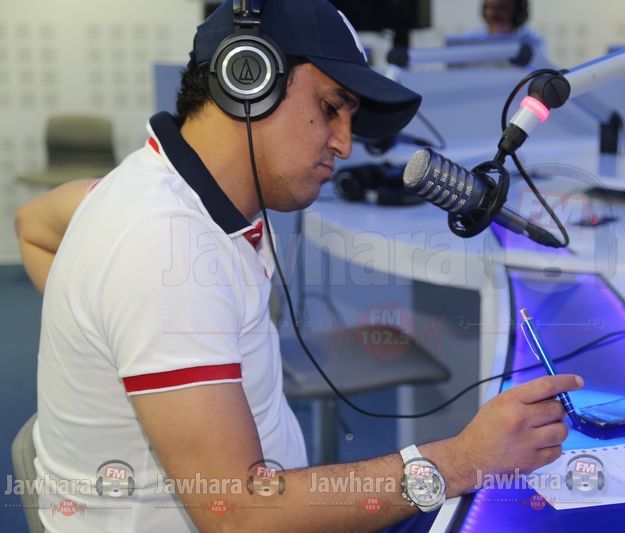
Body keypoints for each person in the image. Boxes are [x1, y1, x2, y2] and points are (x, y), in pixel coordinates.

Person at [16, 1, 583, 531]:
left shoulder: (156, 192)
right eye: (331, 108)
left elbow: (33, 225)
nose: (344, 144)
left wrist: (117, 344)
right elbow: (237, 513)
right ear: (248, 79)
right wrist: (463, 458)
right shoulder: (161, 240)